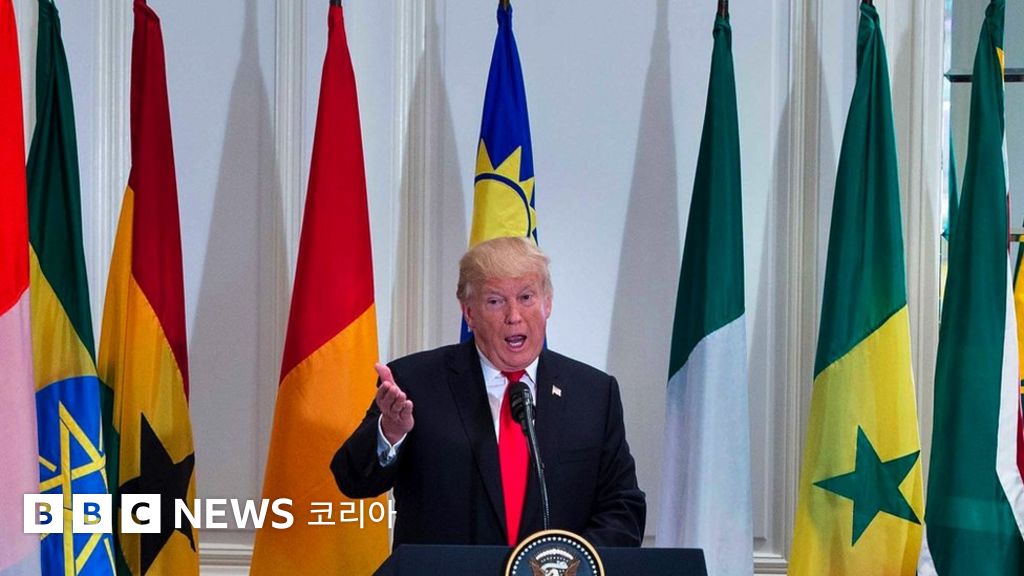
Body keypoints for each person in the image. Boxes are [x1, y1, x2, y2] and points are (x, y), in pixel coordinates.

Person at [331, 236, 646, 548]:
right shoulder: (415, 382)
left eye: (526, 297)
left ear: (547, 303)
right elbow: (353, 480)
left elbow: (623, 508)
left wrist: (568, 564)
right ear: (469, 312)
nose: (514, 316)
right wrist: (390, 433)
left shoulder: (593, 394)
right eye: (495, 301)